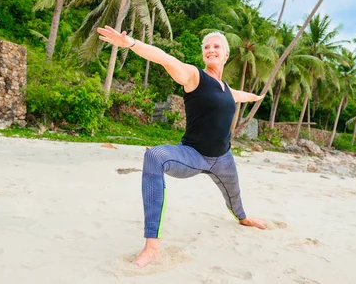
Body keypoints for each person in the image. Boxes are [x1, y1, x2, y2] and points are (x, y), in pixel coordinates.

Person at [97, 25, 267, 268]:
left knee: (235, 198)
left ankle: (243, 218)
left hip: (223, 159)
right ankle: (152, 246)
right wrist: (131, 43)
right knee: (155, 156)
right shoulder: (194, 76)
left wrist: (255, 97)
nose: (211, 50)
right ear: (203, 54)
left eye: (216, 46)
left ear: (226, 54)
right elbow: (165, 58)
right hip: (192, 155)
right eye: (206, 47)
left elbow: (239, 95)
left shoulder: (227, 90)